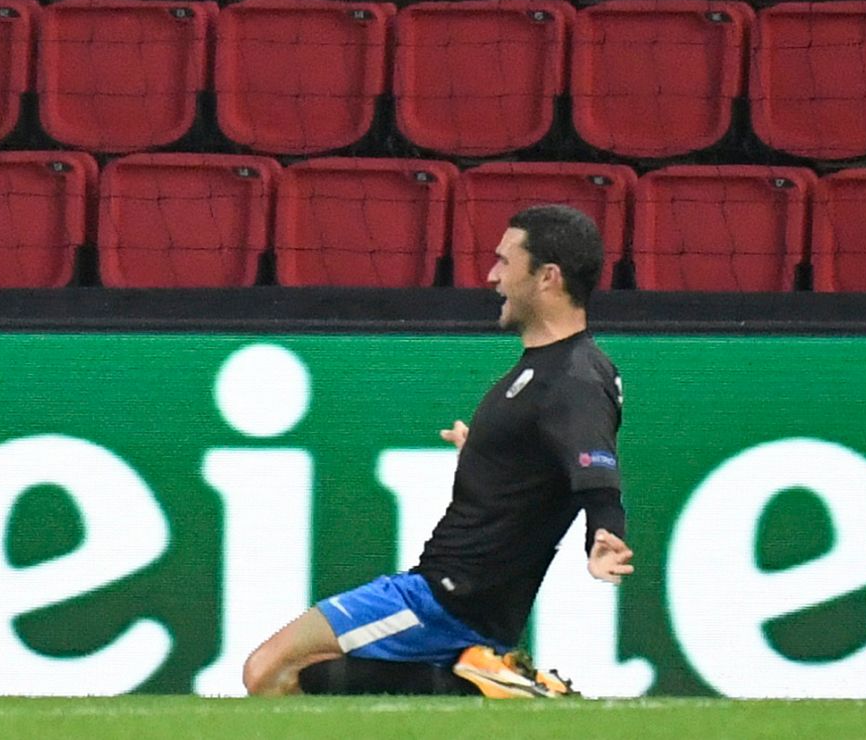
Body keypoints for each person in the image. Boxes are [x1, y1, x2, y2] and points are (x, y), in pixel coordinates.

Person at [243, 204, 635, 699]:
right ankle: (482, 681)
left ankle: (493, 688)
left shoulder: (573, 377)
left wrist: (605, 530)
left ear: (547, 278)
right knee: (310, 676)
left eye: (505, 263)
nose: (492, 276)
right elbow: (547, 462)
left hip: (448, 595)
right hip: (467, 595)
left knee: (269, 672)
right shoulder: (552, 370)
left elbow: (594, 466)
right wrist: (484, 452)